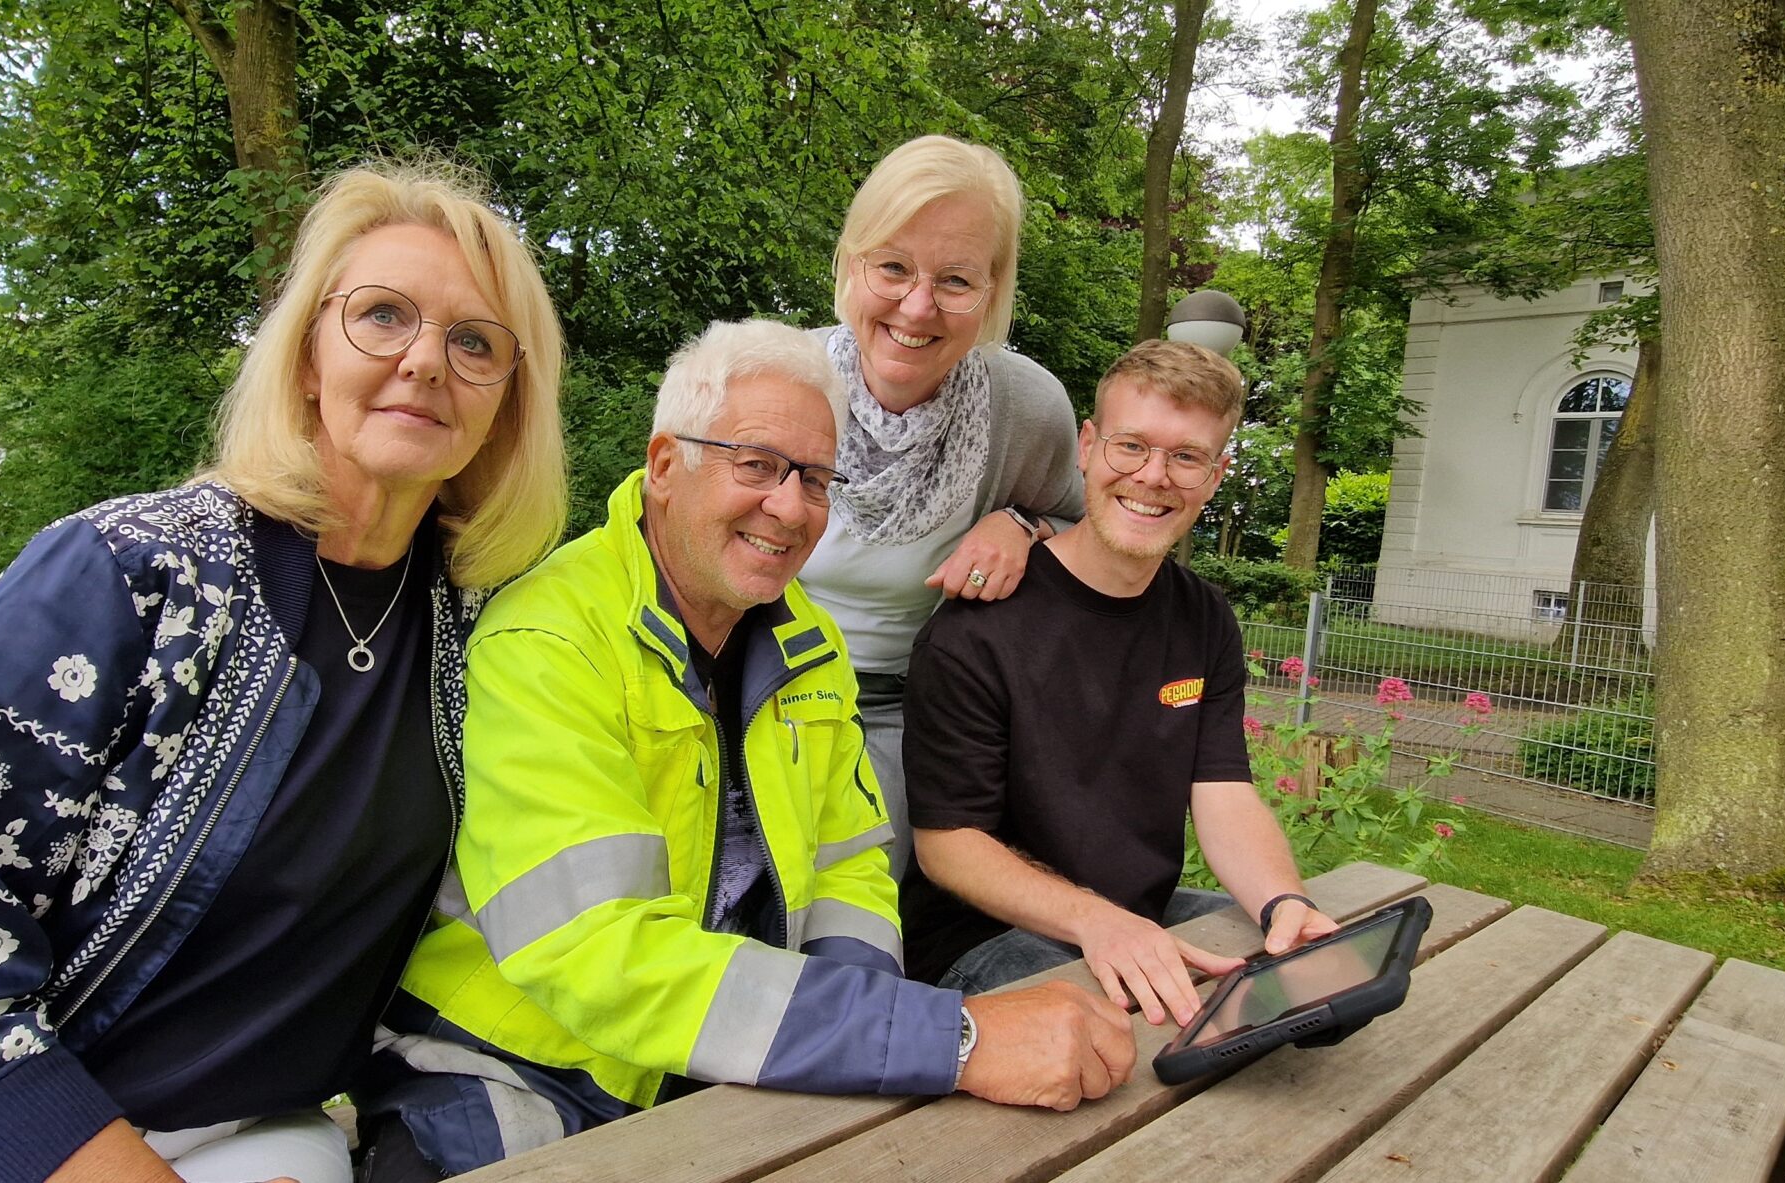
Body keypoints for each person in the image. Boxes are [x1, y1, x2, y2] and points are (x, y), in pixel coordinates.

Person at [0, 160, 569, 1183]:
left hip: (245, 1131)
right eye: (381, 315)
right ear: (307, 360)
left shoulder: (484, 632)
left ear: (507, 402)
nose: (424, 362)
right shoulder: (127, 571)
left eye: (474, 343)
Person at [366, 320, 1135, 1178]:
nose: (791, 506)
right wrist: (947, 1039)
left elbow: (851, 871)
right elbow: (597, 954)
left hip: (716, 1066)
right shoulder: (551, 635)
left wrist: (865, 1033)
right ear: (664, 466)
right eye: (757, 465)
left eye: (814, 477)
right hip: (508, 1071)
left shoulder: (813, 642)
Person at [900, 340, 1339, 1027]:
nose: (1153, 476)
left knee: (1308, 979)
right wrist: (1098, 921)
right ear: (1087, 446)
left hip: (1136, 915)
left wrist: (1284, 903)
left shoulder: (1203, 617)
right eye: (1131, 446)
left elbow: (1224, 793)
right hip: (982, 943)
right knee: (1153, 1027)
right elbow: (947, 844)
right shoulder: (974, 632)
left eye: (1186, 457)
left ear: (1216, 475)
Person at [798, 135, 1087, 878]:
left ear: (994, 291)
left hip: (908, 716)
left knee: (852, 893)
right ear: (851, 264)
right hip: (745, 688)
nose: (917, 306)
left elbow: (1094, 533)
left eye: (956, 280)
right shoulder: (778, 383)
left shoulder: (1026, 408)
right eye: (893, 266)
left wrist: (1023, 524)